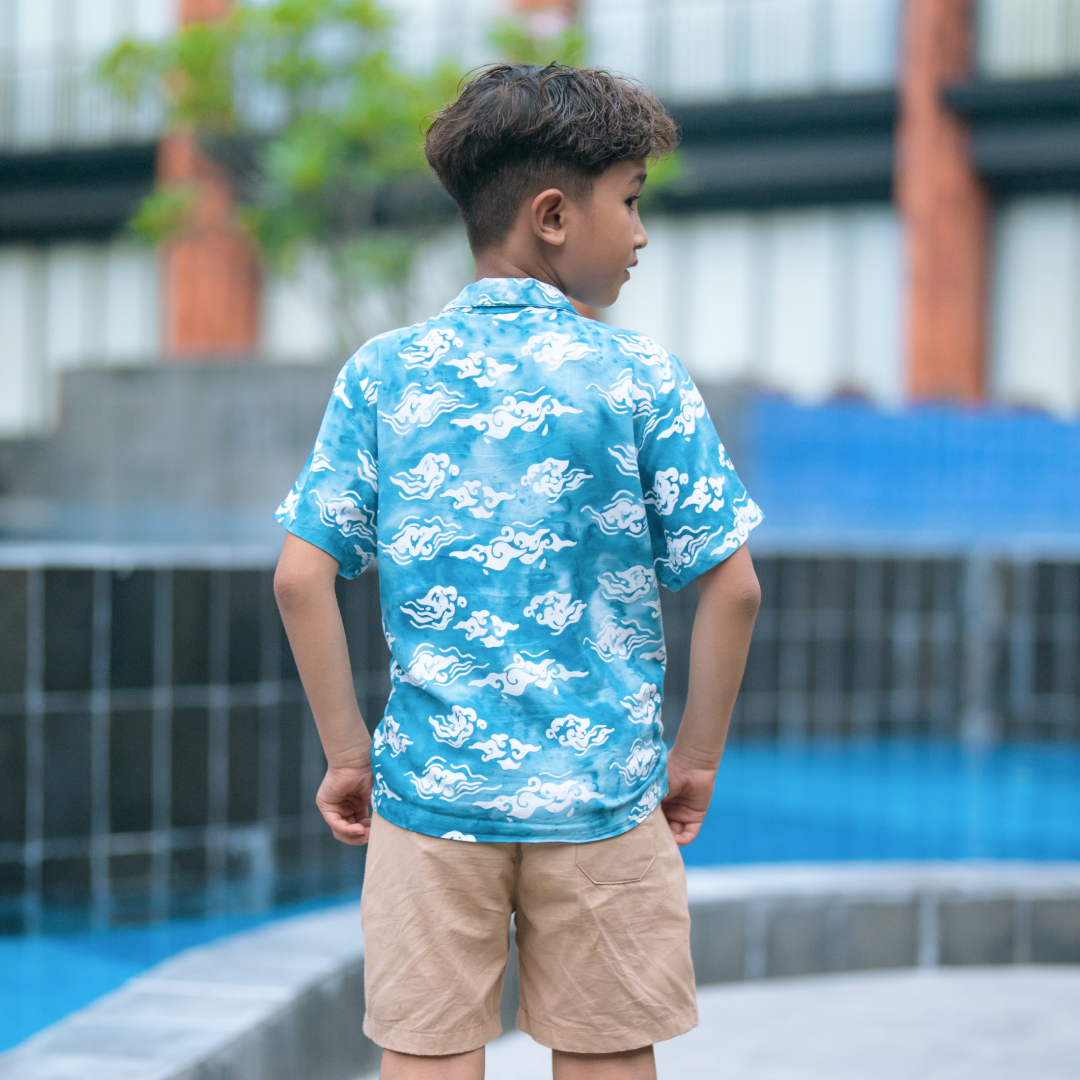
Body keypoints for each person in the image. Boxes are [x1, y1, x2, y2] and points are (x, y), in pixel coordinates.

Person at [273, 62, 762, 1080]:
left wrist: (351, 756)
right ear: (552, 216)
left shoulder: (382, 373)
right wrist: (695, 759)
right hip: (604, 802)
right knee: (605, 1056)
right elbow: (734, 586)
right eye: (629, 201)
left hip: (428, 801)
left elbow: (300, 578)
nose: (640, 234)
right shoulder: (640, 376)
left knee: (427, 1056)